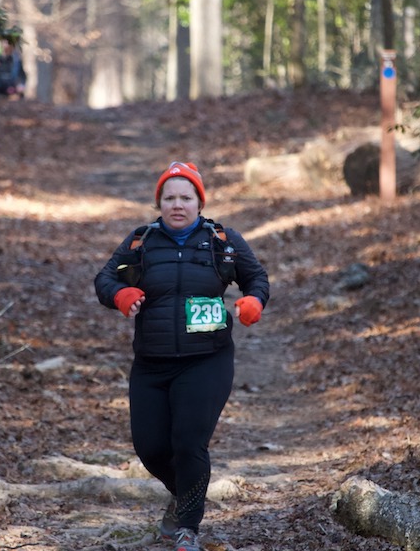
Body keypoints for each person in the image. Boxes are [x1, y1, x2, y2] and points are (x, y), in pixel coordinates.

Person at [94, 161, 270, 551]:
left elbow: (257, 278)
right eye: (169, 197)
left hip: (206, 359)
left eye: (185, 197)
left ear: (198, 202)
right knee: (150, 447)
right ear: (159, 203)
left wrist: (253, 301)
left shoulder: (222, 240)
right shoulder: (141, 242)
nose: (178, 204)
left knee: (189, 442)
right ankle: (187, 493)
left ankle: (187, 527)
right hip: (151, 363)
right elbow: (104, 279)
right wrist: (120, 295)